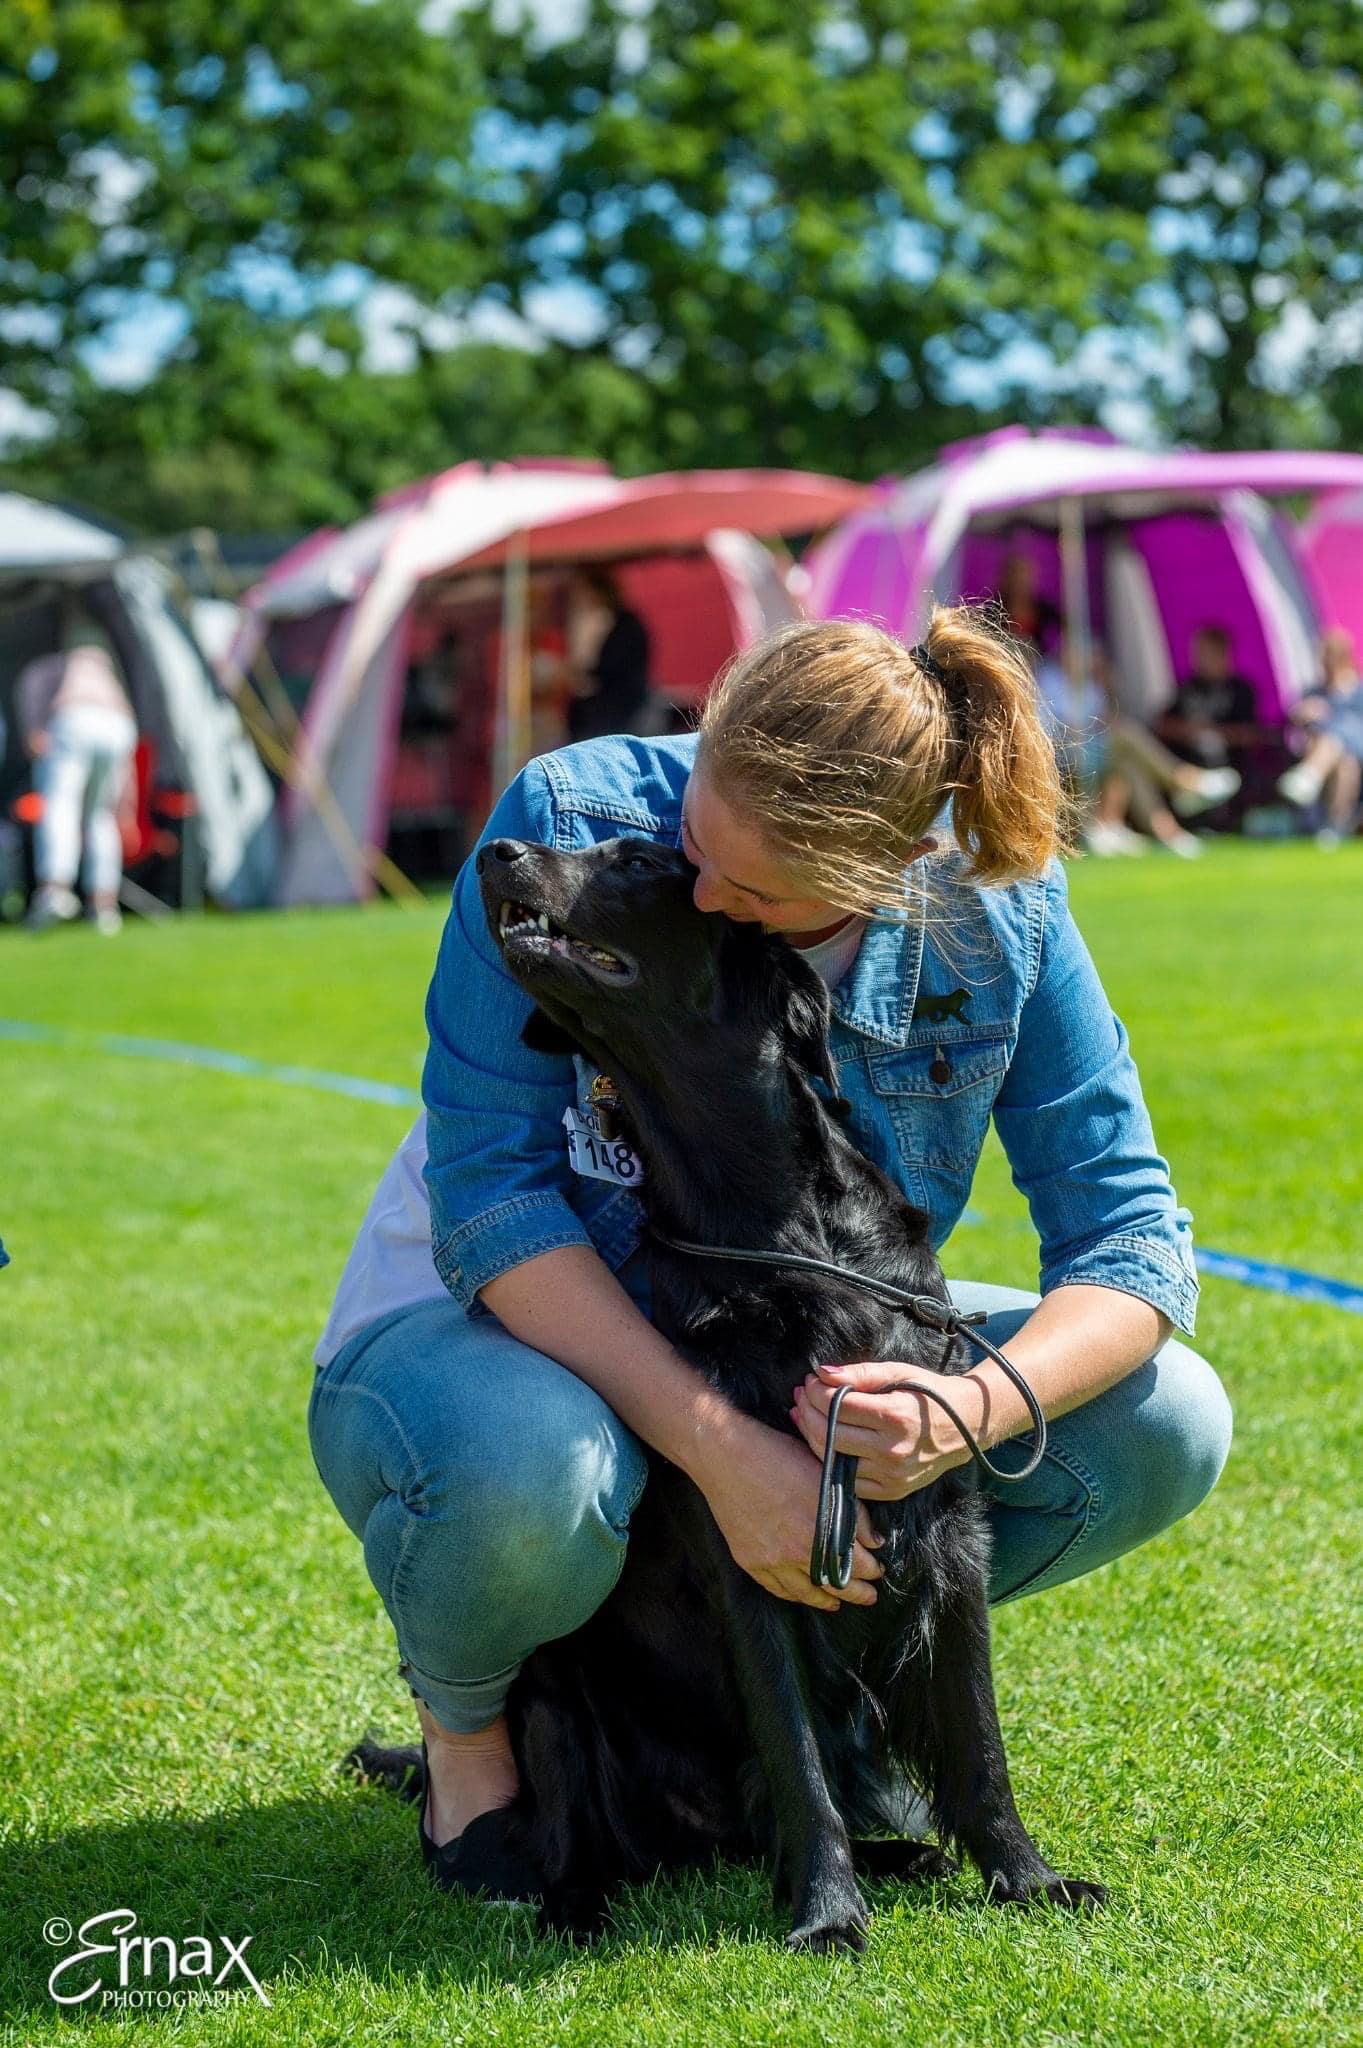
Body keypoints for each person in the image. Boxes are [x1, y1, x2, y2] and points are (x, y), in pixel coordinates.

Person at [308, 611, 1231, 1895]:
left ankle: (807, 1700)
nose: (694, 894)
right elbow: (493, 1199)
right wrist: (726, 1451)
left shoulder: (990, 906)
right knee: (538, 1469)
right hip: (505, 1326)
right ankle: (471, 1737)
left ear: (889, 868)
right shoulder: (569, 817)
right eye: (692, 838)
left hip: (775, 1330)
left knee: (1160, 1416)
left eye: (752, 897)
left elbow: (1130, 1237)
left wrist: (966, 1410)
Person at [1033, 646, 1239, 857]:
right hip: (1062, 754)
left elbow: (1104, 718)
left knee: (1127, 762)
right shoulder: (1048, 680)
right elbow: (1056, 727)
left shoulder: (1089, 685)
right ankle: (1184, 782)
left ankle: (1163, 831)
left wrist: (1107, 684)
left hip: (1093, 749)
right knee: (1127, 734)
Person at [16, 618, 138, 934]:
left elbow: (33, 734)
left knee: (59, 805)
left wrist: (36, 738)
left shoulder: (39, 669)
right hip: (118, 728)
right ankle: (104, 904)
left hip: (74, 722)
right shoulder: (105, 672)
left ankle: (54, 888)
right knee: (100, 814)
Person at [1276, 629, 1363, 845]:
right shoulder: (1313, 691)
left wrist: (1328, 715)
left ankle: (1310, 774)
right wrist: (1301, 714)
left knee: (1338, 740)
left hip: (1357, 750)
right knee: (1344, 764)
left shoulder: (1359, 692)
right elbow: (1292, 721)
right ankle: (1332, 828)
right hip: (1324, 752)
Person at [1155, 625, 1259, 793]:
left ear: (1222, 654)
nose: (1197, 659)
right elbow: (1162, 723)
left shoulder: (1241, 690)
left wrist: (1211, 731)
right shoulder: (1188, 687)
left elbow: (1251, 734)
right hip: (1186, 765)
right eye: (1196, 653)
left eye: (1205, 653)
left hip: (1228, 768)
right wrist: (1186, 731)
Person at [565, 567, 654, 742]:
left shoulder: (625, 625)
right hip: (606, 707)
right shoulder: (605, 621)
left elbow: (613, 667)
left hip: (619, 708)